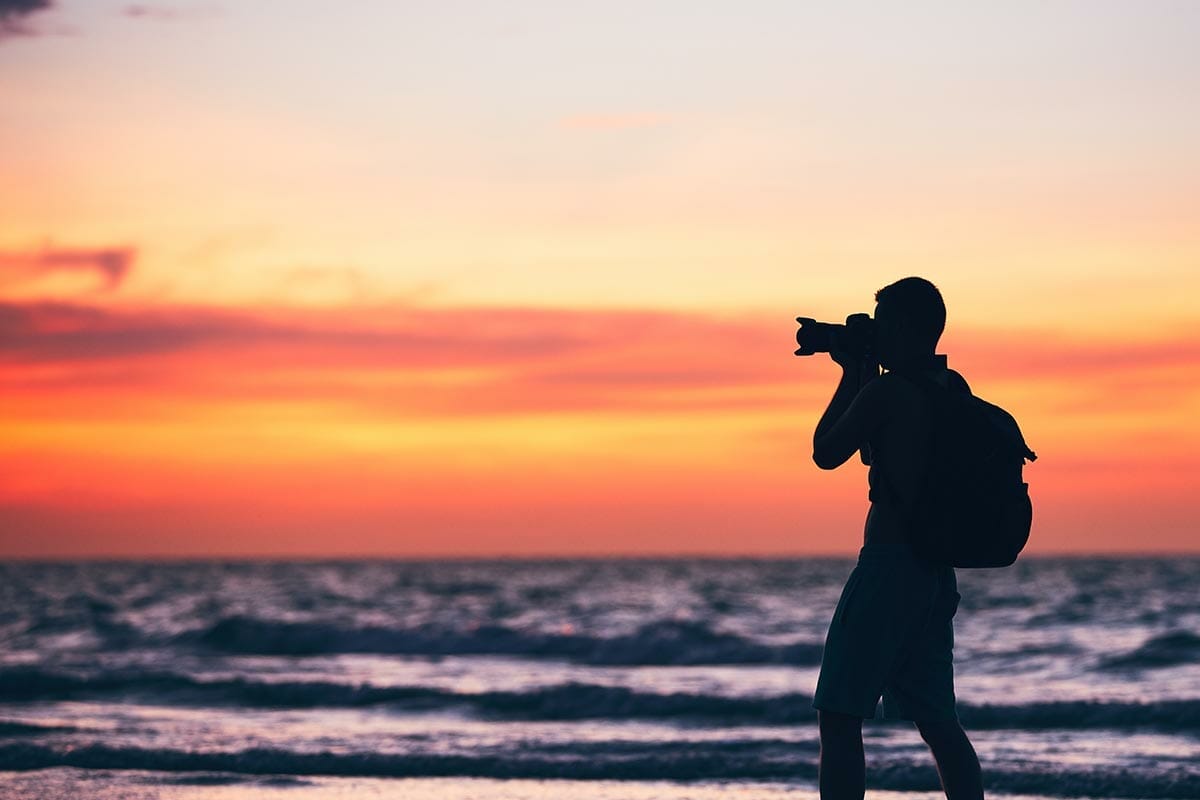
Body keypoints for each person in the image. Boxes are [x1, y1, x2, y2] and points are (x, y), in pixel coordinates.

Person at [809, 277, 984, 800]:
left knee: (840, 714)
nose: (874, 328)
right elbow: (881, 451)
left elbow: (827, 450)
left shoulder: (888, 391)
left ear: (905, 327)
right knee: (938, 723)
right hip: (934, 572)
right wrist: (863, 367)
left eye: (881, 319)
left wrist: (849, 373)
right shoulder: (951, 388)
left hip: (888, 568)